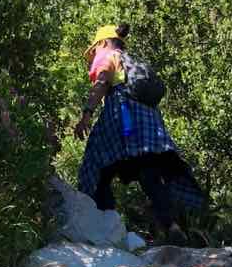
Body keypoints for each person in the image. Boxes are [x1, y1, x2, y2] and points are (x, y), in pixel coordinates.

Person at [74, 24, 205, 243]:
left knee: (96, 167)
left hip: (123, 117)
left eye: (95, 48)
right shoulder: (129, 61)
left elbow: (102, 82)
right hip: (148, 121)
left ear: (103, 43)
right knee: (149, 174)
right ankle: (172, 226)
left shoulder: (108, 57)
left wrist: (87, 113)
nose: (94, 54)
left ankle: (102, 228)